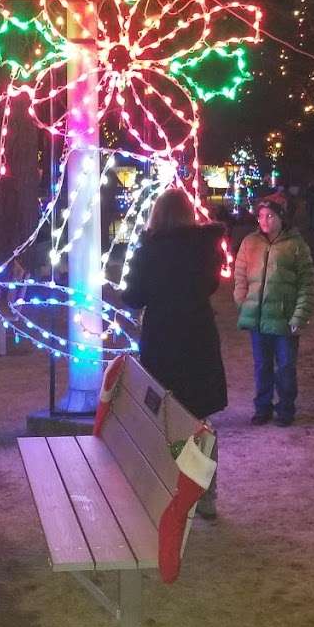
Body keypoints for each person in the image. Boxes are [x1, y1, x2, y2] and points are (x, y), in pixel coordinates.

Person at [122, 186, 227, 518]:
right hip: (198, 337)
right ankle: (205, 494)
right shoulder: (205, 248)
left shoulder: (149, 252)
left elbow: (133, 296)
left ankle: (167, 490)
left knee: (164, 418)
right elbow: (210, 285)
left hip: (163, 339)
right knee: (199, 419)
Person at [233, 191, 314, 428]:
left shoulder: (296, 246)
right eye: (261, 216)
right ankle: (262, 407)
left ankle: (286, 408)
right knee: (262, 366)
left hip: (284, 319)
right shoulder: (250, 243)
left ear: (281, 218)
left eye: (269, 216)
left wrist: (299, 315)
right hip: (258, 319)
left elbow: (306, 284)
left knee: (286, 366)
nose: (264, 221)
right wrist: (242, 300)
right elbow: (240, 275)